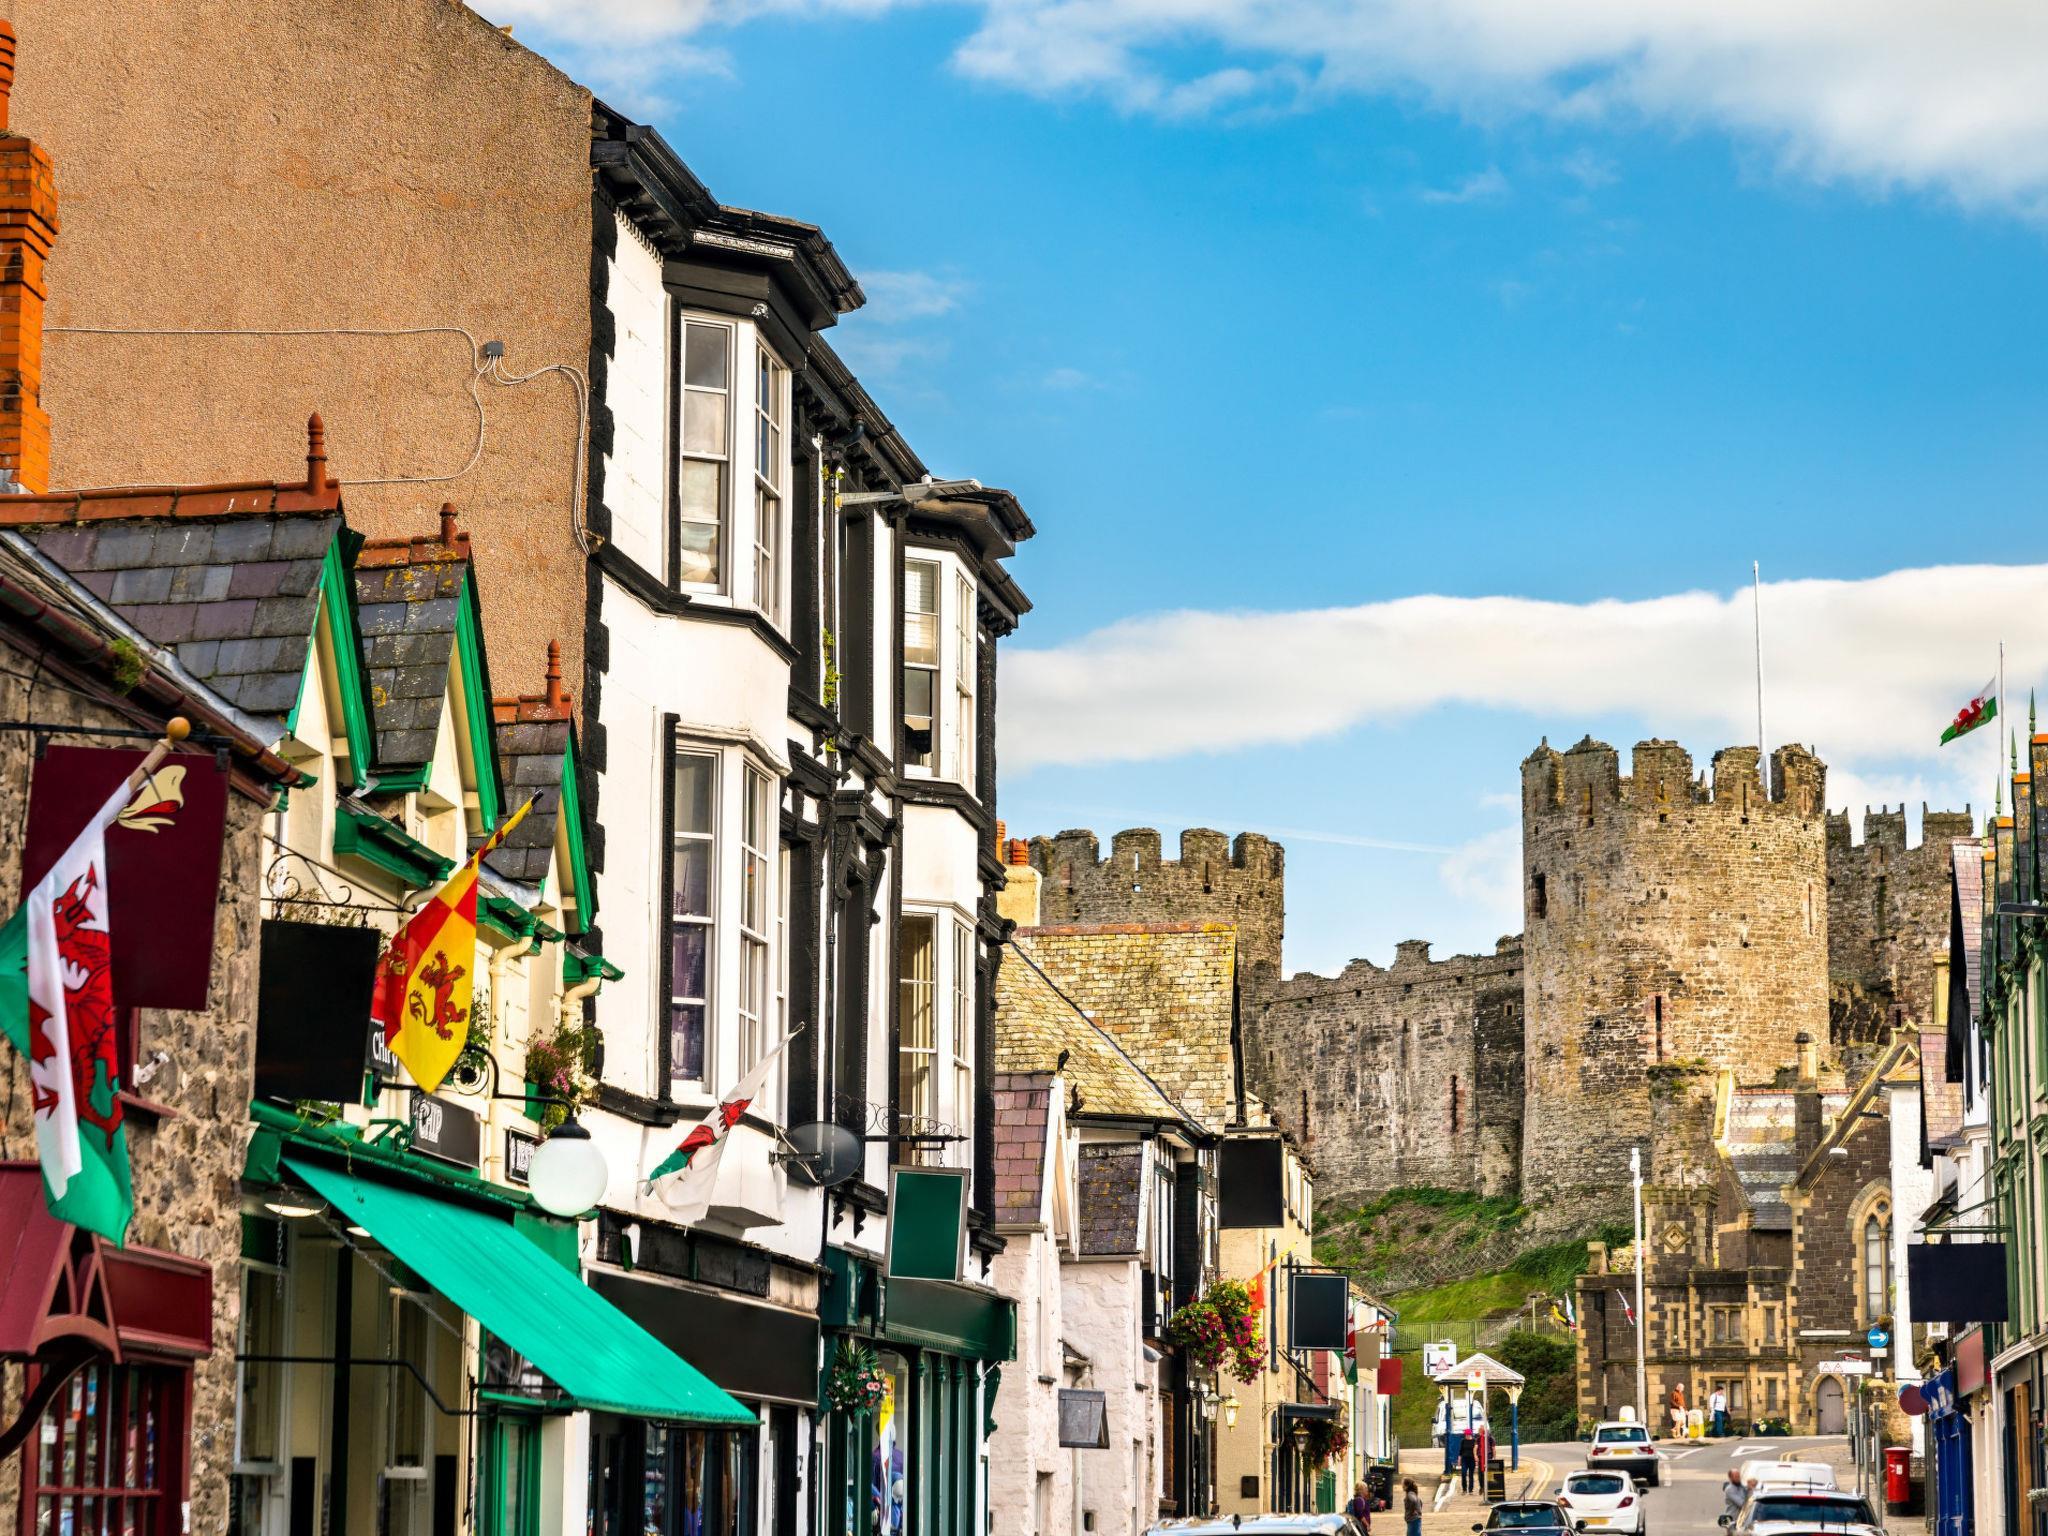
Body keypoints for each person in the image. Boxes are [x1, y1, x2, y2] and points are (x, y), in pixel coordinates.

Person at [1458, 1426, 1478, 1494]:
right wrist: (1459, 1459)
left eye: (1467, 1435)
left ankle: (1470, 1490)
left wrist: (1476, 1460)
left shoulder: (1474, 1441)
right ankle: (1464, 1489)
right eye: (1466, 1435)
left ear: (1470, 1434)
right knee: (1463, 1473)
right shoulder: (1463, 1441)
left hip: (1472, 1459)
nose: (1466, 1436)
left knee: (1471, 1475)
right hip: (1464, 1459)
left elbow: (1476, 1450)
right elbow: (1461, 1451)